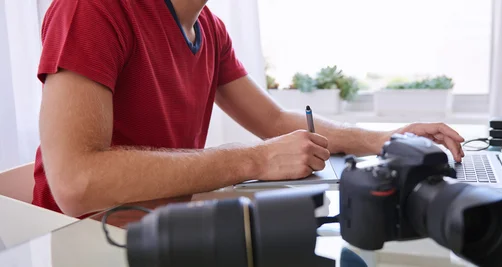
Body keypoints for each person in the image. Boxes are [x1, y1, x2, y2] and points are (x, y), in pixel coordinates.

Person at [34, 0, 465, 217]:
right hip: (79, 242)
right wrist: (255, 158)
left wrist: (383, 139)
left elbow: (274, 121)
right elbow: (76, 183)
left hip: (164, 231)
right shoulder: (93, 9)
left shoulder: (209, 28)